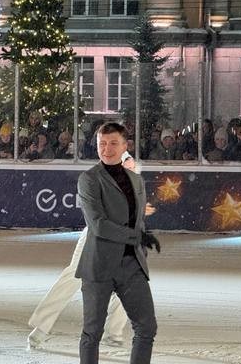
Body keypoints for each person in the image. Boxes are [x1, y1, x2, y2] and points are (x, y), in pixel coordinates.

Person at [27, 155, 151, 350]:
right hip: (95, 237)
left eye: (132, 169)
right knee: (73, 277)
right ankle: (41, 327)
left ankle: (113, 333)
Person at [76, 122, 159, 364]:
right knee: (92, 332)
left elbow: (136, 219)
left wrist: (142, 235)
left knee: (146, 327)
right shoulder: (89, 179)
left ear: (125, 146)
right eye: (102, 144)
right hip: (99, 265)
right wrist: (137, 237)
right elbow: (99, 225)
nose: (107, 149)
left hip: (131, 266)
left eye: (113, 143)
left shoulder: (136, 180)